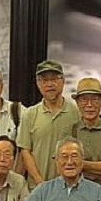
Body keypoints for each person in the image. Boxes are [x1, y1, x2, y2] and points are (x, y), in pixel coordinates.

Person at [16, 60, 79, 190]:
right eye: (44, 80)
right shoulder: (29, 114)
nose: (50, 84)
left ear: (63, 81)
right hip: (36, 188)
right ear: (38, 84)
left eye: (54, 79)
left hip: (69, 188)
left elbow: (80, 151)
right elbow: (25, 151)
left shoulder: (76, 113)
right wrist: (39, 181)